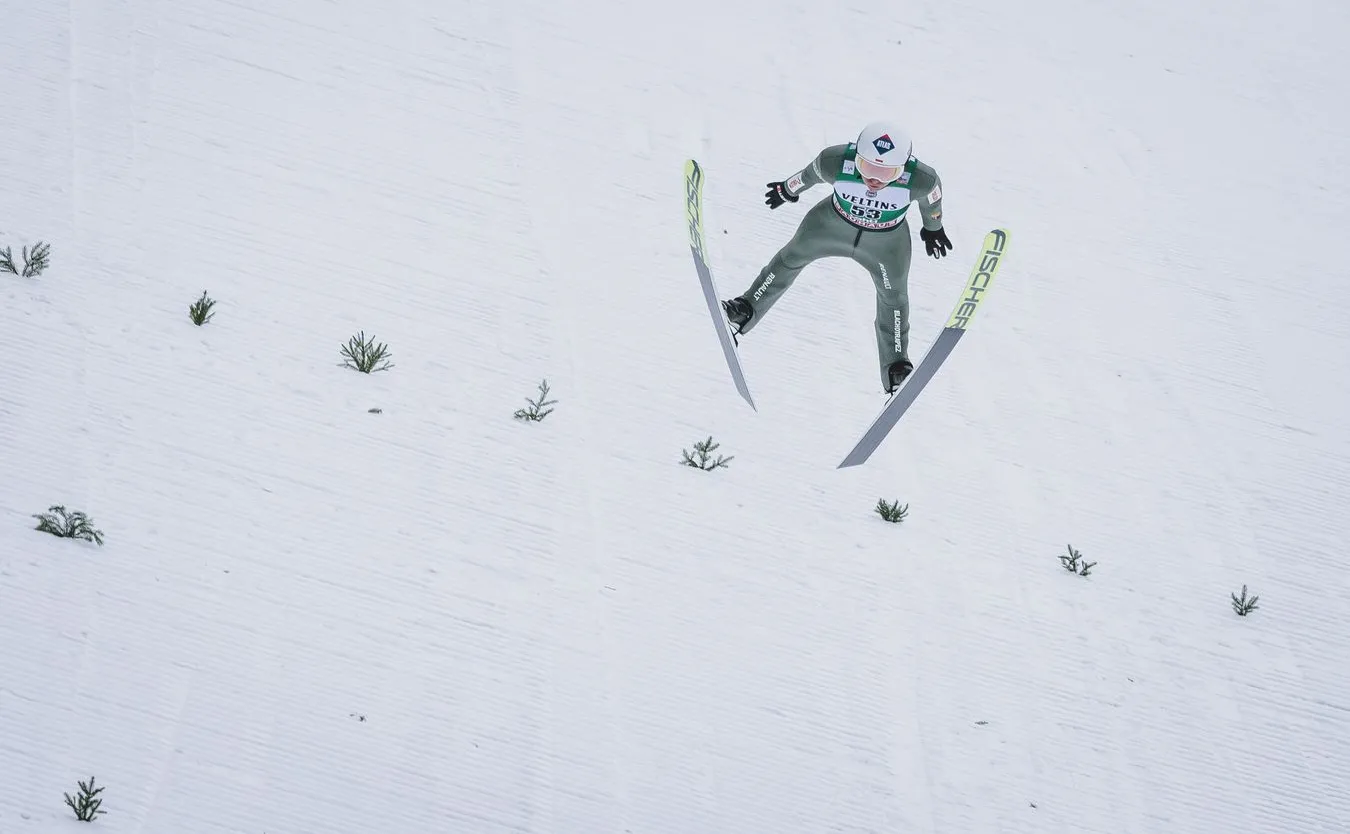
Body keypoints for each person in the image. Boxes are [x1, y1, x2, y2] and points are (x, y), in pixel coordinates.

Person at [721, 121, 952, 394]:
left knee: (894, 296)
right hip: (830, 225)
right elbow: (808, 175)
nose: (875, 179)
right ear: (856, 157)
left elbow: (932, 202)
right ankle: (746, 310)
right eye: (867, 168)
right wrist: (787, 189)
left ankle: (896, 367)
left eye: (886, 172)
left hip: (886, 244)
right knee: (790, 257)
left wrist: (933, 228)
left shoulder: (922, 179)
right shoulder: (835, 161)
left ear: (905, 167)